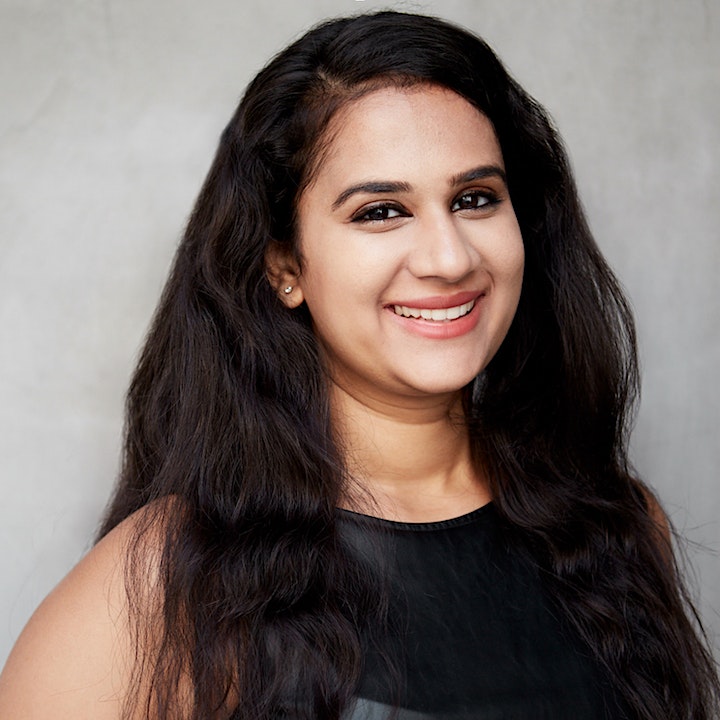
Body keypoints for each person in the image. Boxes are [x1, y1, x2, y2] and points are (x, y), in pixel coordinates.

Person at [0, 10, 717, 720]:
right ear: (285, 266)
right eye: (380, 211)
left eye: (475, 199)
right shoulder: (170, 579)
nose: (450, 258)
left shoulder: (617, 526)